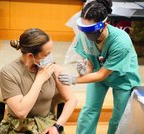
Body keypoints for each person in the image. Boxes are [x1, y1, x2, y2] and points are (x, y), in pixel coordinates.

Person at [58, 0, 141, 134]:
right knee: (89, 110)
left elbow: (102, 75)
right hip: (98, 73)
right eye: (83, 28)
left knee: (119, 117)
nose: (86, 34)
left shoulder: (121, 42)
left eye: (90, 29)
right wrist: (85, 70)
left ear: (104, 24)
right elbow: (91, 62)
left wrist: (75, 79)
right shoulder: (84, 36)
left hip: (123, 77)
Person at [0, 28, 77, 134]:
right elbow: (21, 112)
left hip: (46, 124)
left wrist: (57, 126)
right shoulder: (9, 72)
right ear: (31, 56)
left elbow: (71, 99)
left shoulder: (53, 69)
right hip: (18, 127)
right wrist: (39, 80)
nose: (50, 57)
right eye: (46, 54)